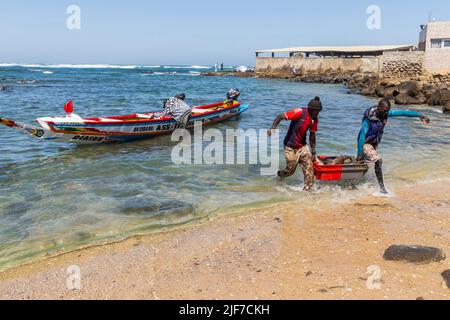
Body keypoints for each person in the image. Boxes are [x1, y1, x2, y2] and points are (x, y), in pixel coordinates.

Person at [357, 98, 430, 194]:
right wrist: (359, 152)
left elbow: (403, 112)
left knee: (365, 164)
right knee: (378, 161)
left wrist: (420, 115)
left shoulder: (386, 113)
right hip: (365, 144)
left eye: (387, 111)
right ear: (379, 108)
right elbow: (362, 135)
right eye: (384, 111)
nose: (386, 113)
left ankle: (356, 181)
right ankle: (382, 189)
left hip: (373, 144)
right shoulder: (369, 117)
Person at [268, 97, 323, 191]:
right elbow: (281, 116)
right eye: (316, 111)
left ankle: (306, 192)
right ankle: (279, 174)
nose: (318, 114)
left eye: (319, 111)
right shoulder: (299, 112)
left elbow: (312, 135)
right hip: (290, 146)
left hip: (302, 147)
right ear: (311, 109)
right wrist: (273, 127)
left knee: (310, 171)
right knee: (290, 171)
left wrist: (313, 152)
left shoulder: (314, 119)